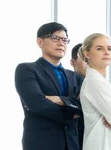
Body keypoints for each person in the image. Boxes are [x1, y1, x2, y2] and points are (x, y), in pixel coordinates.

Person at [15, 22, 83, 150]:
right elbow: (37, 104)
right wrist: (71, 114)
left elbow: (84, 105)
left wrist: (60, 100)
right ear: (40, 42)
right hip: (41, 143)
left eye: (64, 40)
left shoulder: (76, 77)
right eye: (55, 38)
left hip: (73, 144)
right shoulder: (27, 69)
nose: (61, 43)